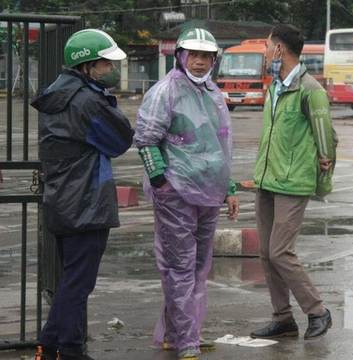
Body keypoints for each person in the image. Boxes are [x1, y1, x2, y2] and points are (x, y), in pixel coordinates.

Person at [133, 28, 240, 360]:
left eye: (205, 56)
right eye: (193, 55)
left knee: (198, 268)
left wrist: (229, 188)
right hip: (176, 194)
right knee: (179, 268)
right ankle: (186, 340)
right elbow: (146, 140)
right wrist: (161, 183)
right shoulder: (164, 91)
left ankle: (178, 332)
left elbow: (219, 145)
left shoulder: (212, 93)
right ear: (180, 56)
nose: (199, 61)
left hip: (210, 193)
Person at [30, 29, 134, 360]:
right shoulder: (87, 101)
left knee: (70, 281)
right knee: (77, 285)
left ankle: (68, 346)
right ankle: (55, 348)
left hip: (61, 202)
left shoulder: (56, 96)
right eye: (105, 65)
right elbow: (120, 140)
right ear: (87, 65)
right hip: (87, 203)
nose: (110, 71)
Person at [250, 24, 338, 341]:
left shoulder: (310, 89)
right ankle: (283, 319)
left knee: (280, 252)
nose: (263, 52)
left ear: (279, 50)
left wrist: (324, 162)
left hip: (293, 183)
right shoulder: (275, 87)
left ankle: (318, 311)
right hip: (267, 180)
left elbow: (327, 134)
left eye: (266, 46)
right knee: (265, 253)